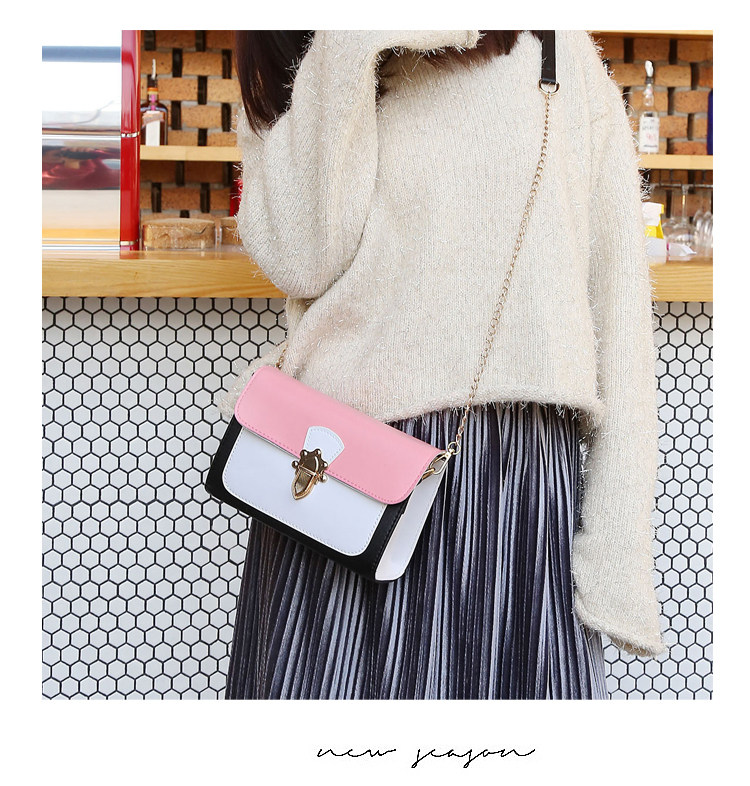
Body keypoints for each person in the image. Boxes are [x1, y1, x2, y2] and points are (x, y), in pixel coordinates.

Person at [215, 30, 669, 700]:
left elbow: (620, 305)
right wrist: (348, 44)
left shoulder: (550, 48)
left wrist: (619, 548)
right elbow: (301, 258)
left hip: (506, 476)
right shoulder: (294, 49)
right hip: (337, 474)